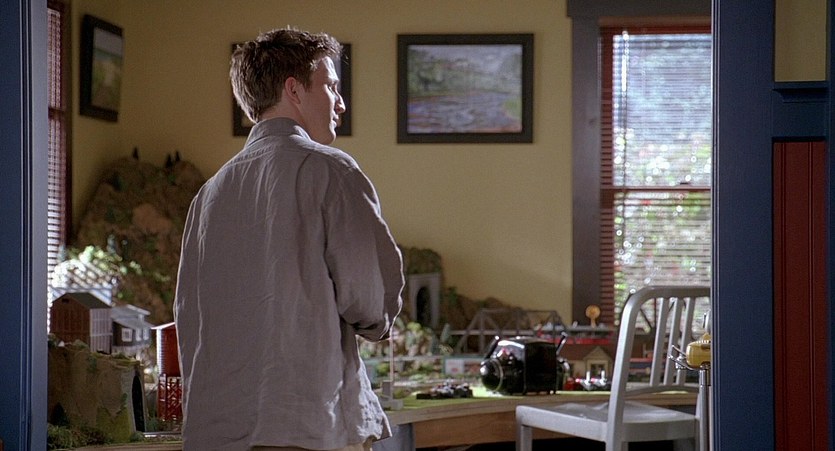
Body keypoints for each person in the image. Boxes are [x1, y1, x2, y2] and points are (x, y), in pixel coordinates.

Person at [174, 27, 404, 451]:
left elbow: (189, 318)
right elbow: (370, 302)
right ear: (294, 90)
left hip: (217, 432)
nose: (340, 103)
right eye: (331, 86)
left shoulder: (209, 194)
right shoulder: (331, 171)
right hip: (308, 425)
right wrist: (379, 321)